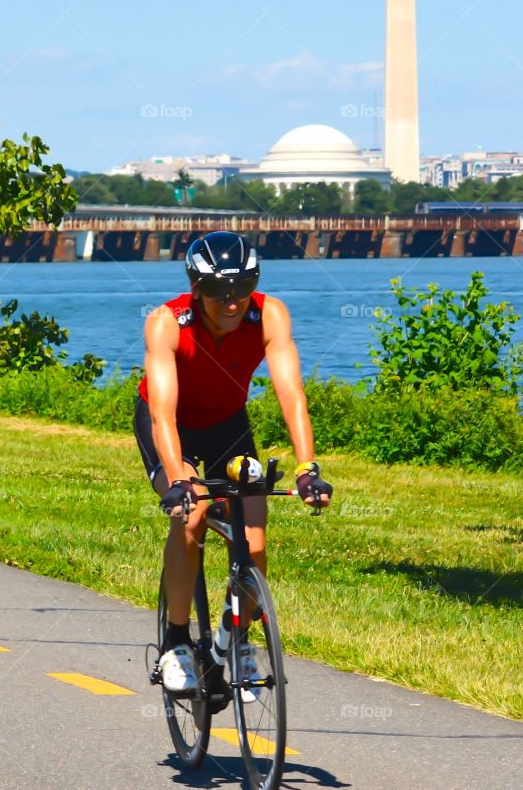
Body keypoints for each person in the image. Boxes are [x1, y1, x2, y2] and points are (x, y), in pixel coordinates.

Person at [134, 230, 332, 696]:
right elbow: (162, 414)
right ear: (197, 288)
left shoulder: (269, 315)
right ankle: (177, 644)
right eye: (221, 290)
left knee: (255, 538)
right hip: (172, 426)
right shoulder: (168, 323)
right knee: (195, 512)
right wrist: (180, 482)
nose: (232, 301)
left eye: (243, 288)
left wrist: (308, 468)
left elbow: (290, 394)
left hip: (227, 425)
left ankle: (237, 638)